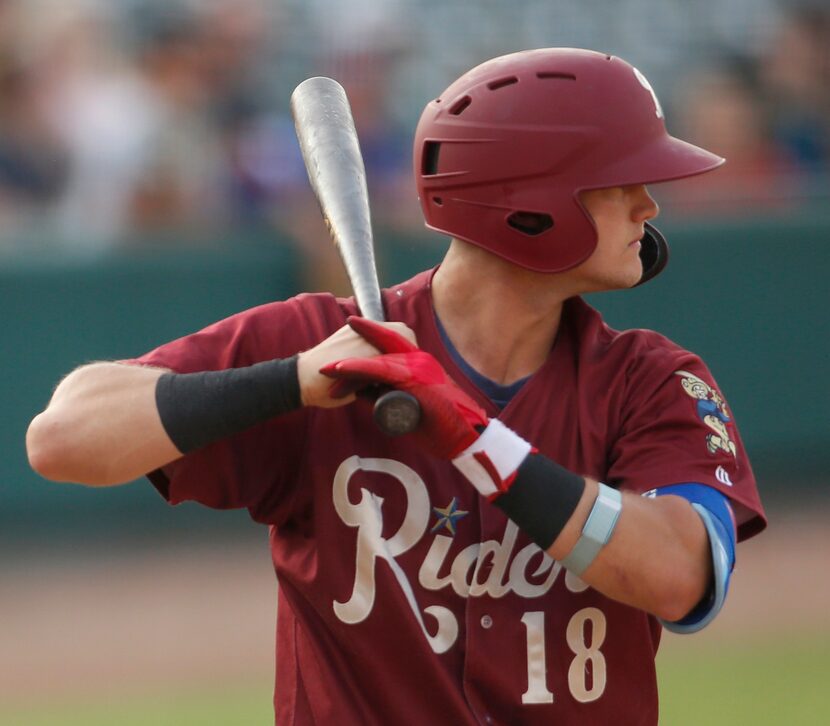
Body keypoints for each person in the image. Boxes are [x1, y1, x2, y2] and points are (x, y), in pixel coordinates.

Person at [26, 48, 766, 725]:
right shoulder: (329, 345)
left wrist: (475, 436)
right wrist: (294, 379)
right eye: (621, 183)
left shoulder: (651, 381)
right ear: (532, 206)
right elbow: (62, 438)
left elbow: (681, 576)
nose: (650, 206)